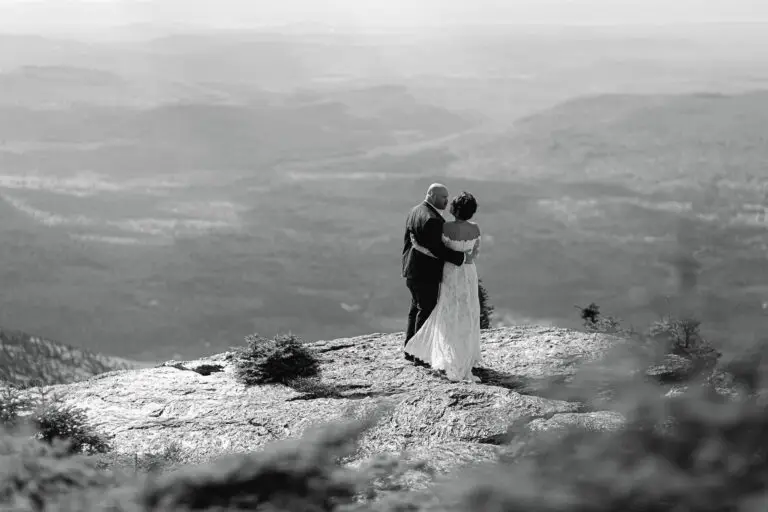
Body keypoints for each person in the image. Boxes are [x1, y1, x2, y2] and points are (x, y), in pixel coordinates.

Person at [404, 190, 483, 382]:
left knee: (447, 310)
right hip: (469, 272)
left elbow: (438, 251)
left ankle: (442, 353)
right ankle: (466, 354)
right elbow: (474, 253)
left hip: (450, 272)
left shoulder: (446, 227)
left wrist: (418, 246)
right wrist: (466, 256)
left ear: (455, 208)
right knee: (467, 309)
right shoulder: (476, 228)